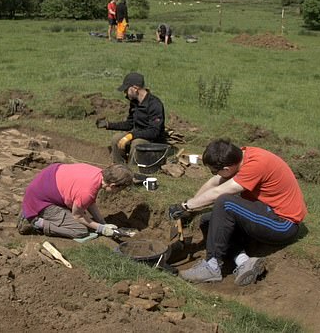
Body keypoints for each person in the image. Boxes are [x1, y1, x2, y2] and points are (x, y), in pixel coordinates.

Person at [168, 138, 308, 286]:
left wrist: (185, 206)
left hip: (283, 224)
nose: (214, 174)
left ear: (227, 169)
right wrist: (190, 208)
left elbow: (218, 192)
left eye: (214, 171)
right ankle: (244, 262)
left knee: (224, 202)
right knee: (208, 221)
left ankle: (211, 266)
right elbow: (214, 182)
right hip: (266, 211)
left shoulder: (255, 165)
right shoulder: (240, 157)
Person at [17, 163, 133, 239]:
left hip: (47, 184)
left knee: (82, 217)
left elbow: (90, 201)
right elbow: (77, 216)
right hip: (40, 201)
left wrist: (103, 222)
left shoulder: (98, 173)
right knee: (80, 231)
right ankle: (36, 222)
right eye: (120, 189)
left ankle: (33, 211)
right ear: (113, 185)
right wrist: (101, 228)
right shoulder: (87, 191)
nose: (119, 192)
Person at [96, 72, 166, 166]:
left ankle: (132, 168)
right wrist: (109, 125)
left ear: (135, 88)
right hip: (136, 134)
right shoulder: (134, 102)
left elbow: (154, 132)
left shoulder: (155, 104)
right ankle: (118, 166)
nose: (124, 93)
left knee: (137, 143)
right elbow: (130, 124)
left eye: (126, 89)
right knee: (116, 139)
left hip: (152, 140)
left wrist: (131, 136)